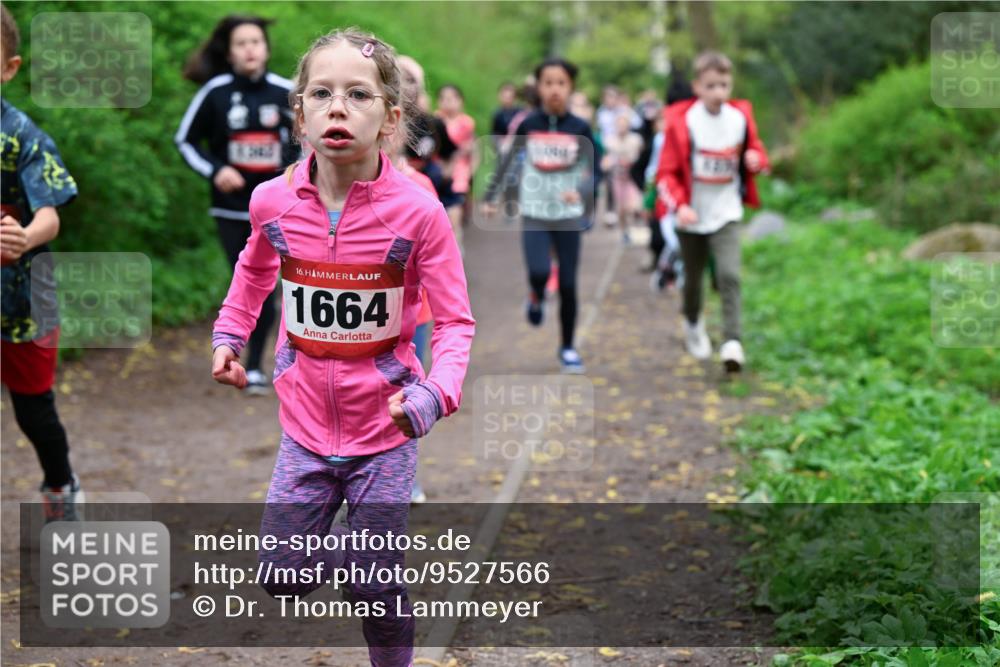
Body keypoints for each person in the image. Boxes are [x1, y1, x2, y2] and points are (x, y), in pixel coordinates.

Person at [210, 29, 474, 666]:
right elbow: (252, 274)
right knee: (281, 575)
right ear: (298, 114)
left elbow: (456, 323)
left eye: (357, 95)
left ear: (389, 117)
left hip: (385, 428)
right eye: (321, 93)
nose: (337, 107)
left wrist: (436, 392)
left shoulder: (418, 213)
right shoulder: (272, 202)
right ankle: (368, 562)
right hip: (303, 423)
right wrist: (230, 334)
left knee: (375, 590)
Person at [176, 14, 297, 395]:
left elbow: (310, 141)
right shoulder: (215, 92)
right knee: (248, 282)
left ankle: (259, 365)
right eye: (241, 43)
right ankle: (242, 355)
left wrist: (296, 174)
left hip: (281, 210)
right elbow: (186, 140)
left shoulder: (287, 92)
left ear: (266, 48)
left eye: (256, 41)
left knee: (275, 285)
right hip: (231, 208)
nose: (250, 49)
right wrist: (217, 170)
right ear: (229, 53)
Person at [1, 3, 82, 521]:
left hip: (24, 290)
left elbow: (50, 216)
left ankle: (60, 486)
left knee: (34, 408)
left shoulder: (22, 136)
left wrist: (22, 238)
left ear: (8, 68)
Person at [482, 57, 599, 374]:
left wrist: (584, 193)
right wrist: (491, 196)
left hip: (568, 215)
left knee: (569, 285)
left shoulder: (580, 128)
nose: (554, 89)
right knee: (538, 271)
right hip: (534, 211)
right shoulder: (528, 124)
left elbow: (593, 171)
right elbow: (507, 162)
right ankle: (535, 294)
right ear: (539, 87)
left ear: (570, 87)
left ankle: (568, 347)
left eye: (561, 83)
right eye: (548, 83)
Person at [656, 51, 769, 372]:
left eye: (724, 84)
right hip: (691, 215)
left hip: (727, 212)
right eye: (711, 85)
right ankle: (692, 323)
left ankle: (732, 342)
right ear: (697, 87)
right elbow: (665, 174)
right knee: (693, 280)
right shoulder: (682, 121)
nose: (719, 92)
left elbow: (756, 150)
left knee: (729, 275)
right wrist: (681, 205)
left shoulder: (740, 117)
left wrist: (757, 161)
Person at [435, 84, 476, 253]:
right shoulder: (435, 120)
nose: (448, 103)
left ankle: (456, 248)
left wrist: (472, 169)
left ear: (461, 101)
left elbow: (471, 148)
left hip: (459, 173)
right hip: (438, 172)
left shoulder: (466, 123)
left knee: (455, 213)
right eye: (444, 99)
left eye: (452, 99)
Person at [601, 113, 644, 245]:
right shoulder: (610, 140)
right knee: (621, 209)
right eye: (619, 125)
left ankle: (633, 223)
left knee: (634, 205)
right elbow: (606, 160)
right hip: (618, 178)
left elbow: (641, 157)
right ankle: (625, 232)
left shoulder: (636, 140)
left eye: (624, 125)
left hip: (632, 178)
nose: (621, 128)